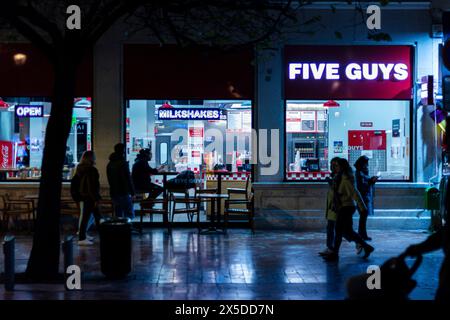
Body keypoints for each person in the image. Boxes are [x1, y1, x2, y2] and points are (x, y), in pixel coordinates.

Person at [322, 158, 374, 262]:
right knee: (346, 231)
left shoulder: (345, 178)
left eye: (337, 166)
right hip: (343, 207)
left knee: (339, 230)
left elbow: (354, 192)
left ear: (342, 166)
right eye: (333, 165)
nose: (334, 167)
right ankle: (367, 247)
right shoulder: (338, 177)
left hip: (346, 207)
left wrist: (362, 206)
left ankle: (335, 253)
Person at [75, 151, 102, 246]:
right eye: (94, 157)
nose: (95, 158)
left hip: (85, 195)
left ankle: (83, 236)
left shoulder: (80, 168)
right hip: (90, 196)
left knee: (95, 216)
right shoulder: (91, 170)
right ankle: (82, 238)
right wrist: (95, 198)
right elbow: (92, 186)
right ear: (91, 158)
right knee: (90, 217)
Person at [107, 143, 135, 219]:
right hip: (124, 191)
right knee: (129, 214)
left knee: (118, 213)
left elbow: (109, 179)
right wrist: (132, 192)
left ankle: (119, 229)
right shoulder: (123, 163)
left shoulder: (110, 164)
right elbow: (128, 179)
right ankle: (127, 229)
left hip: (114, 192)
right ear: (123, 150)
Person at [319, 157, 340, 256]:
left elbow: (340, 190)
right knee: (331, 228)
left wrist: (331, 182)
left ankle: (331, 249)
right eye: (332, 165)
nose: (332, 167)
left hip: (336, 206)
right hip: (332, 206)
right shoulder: (335, 176)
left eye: (335, 165)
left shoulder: (340, 177)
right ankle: (330, 248)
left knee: (339, 229)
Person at [354, 155, 378, 241]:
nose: (367, 165)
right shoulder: (359, 173)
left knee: (363, 217)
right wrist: (371, 181)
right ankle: (362, 235)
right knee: (363, 217)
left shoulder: (363, 172)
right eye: (366, 163)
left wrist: (371, 180)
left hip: (365, 197)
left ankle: (362, 234)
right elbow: (361, 186)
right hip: (363, 198)